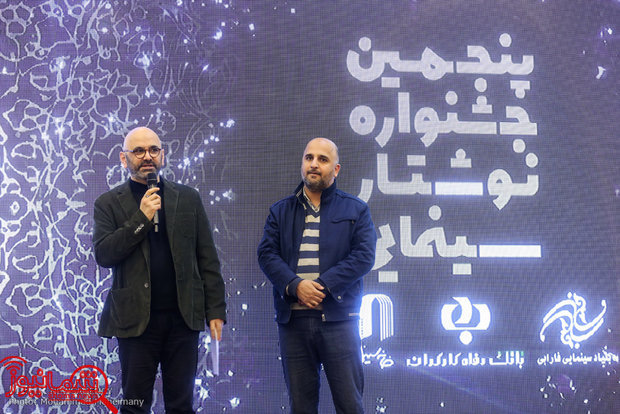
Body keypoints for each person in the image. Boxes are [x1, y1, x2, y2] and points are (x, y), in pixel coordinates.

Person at [92, 126, 226, 413]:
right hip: (135, 320)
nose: (147, 156)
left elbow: (207, 257)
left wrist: (215, 309)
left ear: (162, 155)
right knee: (134, 404)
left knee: (181, 405)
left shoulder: (187, 198)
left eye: (153, 150)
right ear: (124, 158)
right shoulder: (108, 203)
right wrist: (141, 217)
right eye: (138, 151)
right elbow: (104, 254)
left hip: (183, 318)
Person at [257, 137, 377, 414]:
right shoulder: (280, 210)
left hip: (339, 321)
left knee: (350, 405)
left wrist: (323, 286)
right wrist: (295, 285)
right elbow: (267, 254)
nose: (314, 164)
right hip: (294, 324)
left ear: (336, 169)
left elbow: (363, 256)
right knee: (301, 407)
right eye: (309, 157)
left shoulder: (356, 209)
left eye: (322, 159)